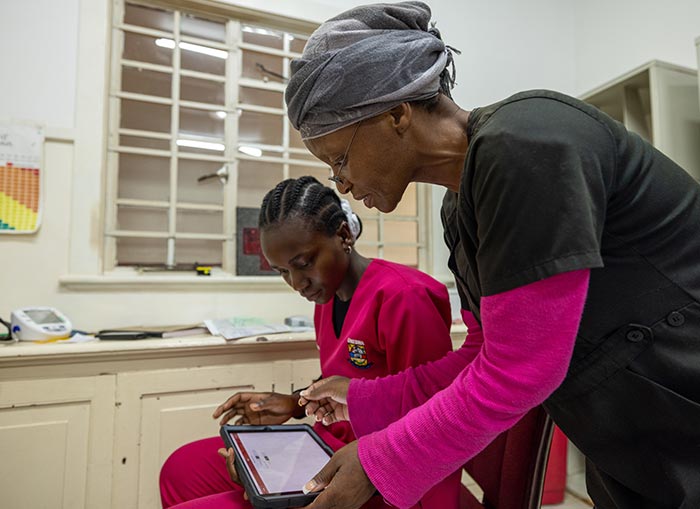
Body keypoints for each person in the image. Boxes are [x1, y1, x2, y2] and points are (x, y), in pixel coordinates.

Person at [282, 2, 700, 509]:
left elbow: (519, 370)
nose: (342, 184)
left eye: (339, 159)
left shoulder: (529, 141)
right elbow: (481, 356)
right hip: (630, 443)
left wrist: (380, 461)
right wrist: (362, 395)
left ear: (395, 113)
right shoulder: (460, 209)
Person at [159, 176, 463, 509]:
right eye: (281, 272)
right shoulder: (327, 297)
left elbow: (433, 416)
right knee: (181, 469)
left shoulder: (404, 297)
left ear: (344, 236)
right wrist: (294, 403)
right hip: (329, 445)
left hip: (386, 472)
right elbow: (344, 382)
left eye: (303, 265)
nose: (296, 284)